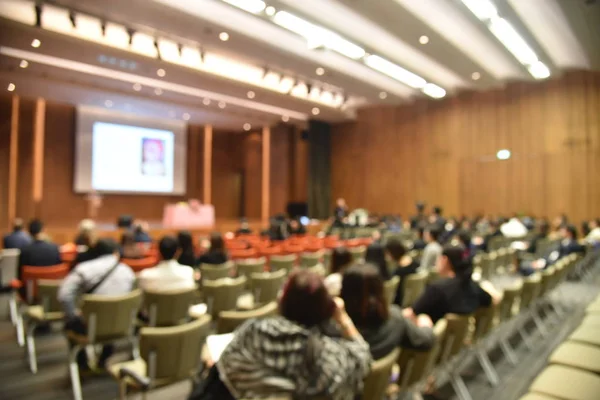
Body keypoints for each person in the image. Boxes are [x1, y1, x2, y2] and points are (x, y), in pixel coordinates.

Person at [215, 270, 371, 400]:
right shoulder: (328, 356)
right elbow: (363, 355)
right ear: (326, 310)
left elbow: (225, 365)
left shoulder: (252, 333)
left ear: (282, 303)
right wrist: (342, 317)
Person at [58, 239, 135, 371]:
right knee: (111, 315)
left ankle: (82, 365)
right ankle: (103, 359)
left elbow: (64, 295)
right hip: (121, 326)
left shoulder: (83, 269)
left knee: (69, 324)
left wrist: (74, 315)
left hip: (90, 327)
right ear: (115, 253)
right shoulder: (128, 271)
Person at [341, 264, 435, 359]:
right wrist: (425, 324)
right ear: (381, 289)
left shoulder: (336, 336)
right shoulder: (396, 319)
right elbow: (426, 341)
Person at [404, 246, 502, 324]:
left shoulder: (437, 289)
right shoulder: (472, 286)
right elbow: (494, 299)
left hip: (430, 343)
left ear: (444, 260)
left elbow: (412, 314)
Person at [385, 239, 419, 306]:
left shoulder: (399, 272)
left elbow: (396, 294)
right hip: (414, 300)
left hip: (399, 303)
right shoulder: (415, 263)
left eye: (387, 253)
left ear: (392, 253)